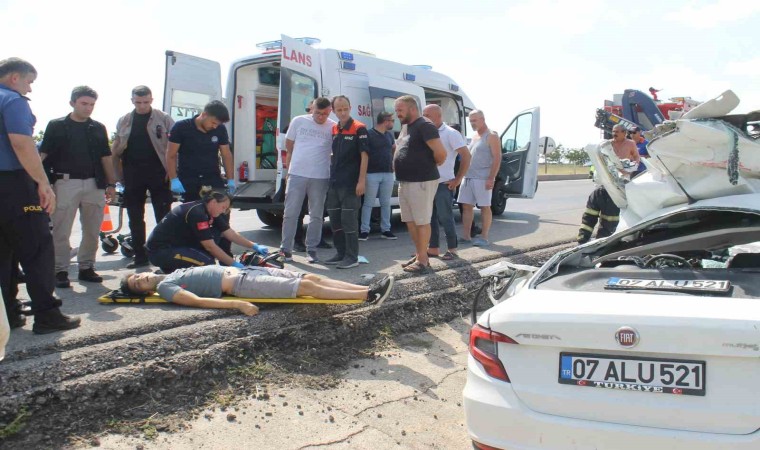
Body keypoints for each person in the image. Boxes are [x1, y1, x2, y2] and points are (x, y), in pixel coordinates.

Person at [0, 57, 80, 334]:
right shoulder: (12, 101)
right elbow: (21, 144)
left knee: (3, 253)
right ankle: (47, 315)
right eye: (28, 82)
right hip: (13, 184)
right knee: (37, 249)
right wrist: (43, 183)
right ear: (14, 78)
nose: (29, 89)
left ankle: (9, 314)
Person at [40, 85, 117, 288]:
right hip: (65, 182)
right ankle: (60, 270)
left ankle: (86, 267)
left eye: (92, 104)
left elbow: (106, 157)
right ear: (72, 103)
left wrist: (111, 183)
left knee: (92, 229)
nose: (88, 108)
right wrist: (39, 181)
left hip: (94, 183)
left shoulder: (98, 127)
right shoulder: (56, 125)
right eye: (84, 104)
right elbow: (43, 154)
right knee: (61, 229)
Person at [121, 267, 394, 313]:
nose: (141, 278)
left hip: (246, 272)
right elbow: (198, 301)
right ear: (143, 293)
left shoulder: (170, 272)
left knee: (311, 277)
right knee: (306, 287)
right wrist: (237, 305)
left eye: (138, 276)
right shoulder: (167, 287)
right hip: (241, 285)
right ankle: (368, 297)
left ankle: (367, 288)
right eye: (137, 284)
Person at [111, 85, 175, 268]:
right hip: (133, 174)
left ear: (151, 100)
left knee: (164, 216)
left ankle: (165, 255)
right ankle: (140, 256)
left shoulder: (163, 119)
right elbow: (116, 150)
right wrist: (116, 176)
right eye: (138, 102)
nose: (142, 106)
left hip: (159, 173)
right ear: (132, 101)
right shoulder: (124, 121)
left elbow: (175, 148)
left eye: (145, 102)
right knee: (135, 217)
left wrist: (173, 173)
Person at [145, 187, 268, 274]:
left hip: (176, 245)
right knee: (208, 265)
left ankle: (174, 268)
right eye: (223, 207)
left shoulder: (209, 211)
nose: (223, 211)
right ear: (214, 202)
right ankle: (171, 270)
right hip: (160, 251)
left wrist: (255, 246)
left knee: (220, 235)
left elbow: (229, 233)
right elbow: (210, 246)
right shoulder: (197, 213)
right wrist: (235, 265)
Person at [166, 100, 234, 256]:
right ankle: (195, 256)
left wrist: (230, 179)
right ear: (204, 115)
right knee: (194, 220)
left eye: (218, 124)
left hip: (213, 178)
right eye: (213, 122)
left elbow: (226, 154)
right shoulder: (181, 127)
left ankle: (226, 258)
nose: (215, 126)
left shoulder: (220, 129)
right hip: (189, 180)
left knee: (222, 217)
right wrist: (173, 179)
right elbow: (170, 155)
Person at [393, 96, 447, 274]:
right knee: (410, 221)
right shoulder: (407, 127)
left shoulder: (425, 125)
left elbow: (441, 154)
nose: (397, 113)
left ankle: (423, 260)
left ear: (412, 109)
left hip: (421, 181)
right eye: (397, 110)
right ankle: (419, 254)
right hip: (405, 181)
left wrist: (427, 167)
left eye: (400, 110)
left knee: (422, 221)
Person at [280, 97, 335, 261]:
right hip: (297, 173)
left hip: (320, 176)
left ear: (330, 111)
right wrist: (289, 169)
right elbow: (289, 146)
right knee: (290, 213)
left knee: (316, 215)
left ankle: (311, 249)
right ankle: (286, 249)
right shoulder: (298, 121)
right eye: (318, 113)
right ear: (312, 109)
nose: (321, 117)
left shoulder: (332, 126)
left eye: (325, 114)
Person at [322, 95, 369, 268]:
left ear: (350, 108)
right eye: (339, 109)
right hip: (334, 183)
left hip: (351, 184)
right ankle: (340, 253)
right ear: (333, 111)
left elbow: (365, 156)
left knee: (349, 221)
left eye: (345, 109)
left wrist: (361, 181)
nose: (342, 112)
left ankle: (352, 257)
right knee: (335, 220)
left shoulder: (359, 128)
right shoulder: (334, 129)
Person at [422, 105, 470, 260]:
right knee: (430, 218)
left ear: (437, 116)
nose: (424, 117)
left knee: (445, 217)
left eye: (427, 114)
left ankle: (452, 249)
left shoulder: (451, 133)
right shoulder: (426, 132)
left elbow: (466, 156)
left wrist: (458, 179)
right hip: (428, 183)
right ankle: (433, 248)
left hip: (444, 184)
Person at [458, 110, 501, 247]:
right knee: (466, 206)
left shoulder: (492, 136)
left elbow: (497, 157)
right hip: (468, 177)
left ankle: (484, 236)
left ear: (482, 119)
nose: (472, 123)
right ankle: (466, 236)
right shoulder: (474, 136)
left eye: (475, 120)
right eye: (470, 121)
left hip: (483, 178)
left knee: (484, 207)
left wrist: (491, 178)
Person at [360, 111, 397, 241]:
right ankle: (364, 230)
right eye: (391, 120)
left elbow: (393, 148)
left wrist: (393, 162)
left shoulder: (389, 135)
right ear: (385, 121)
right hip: (372, 173)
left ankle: (386, 229)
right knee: (368, 202)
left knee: (385, 203)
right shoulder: (369, 134)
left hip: (387, 173)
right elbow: (364, 153)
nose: (393, 123)